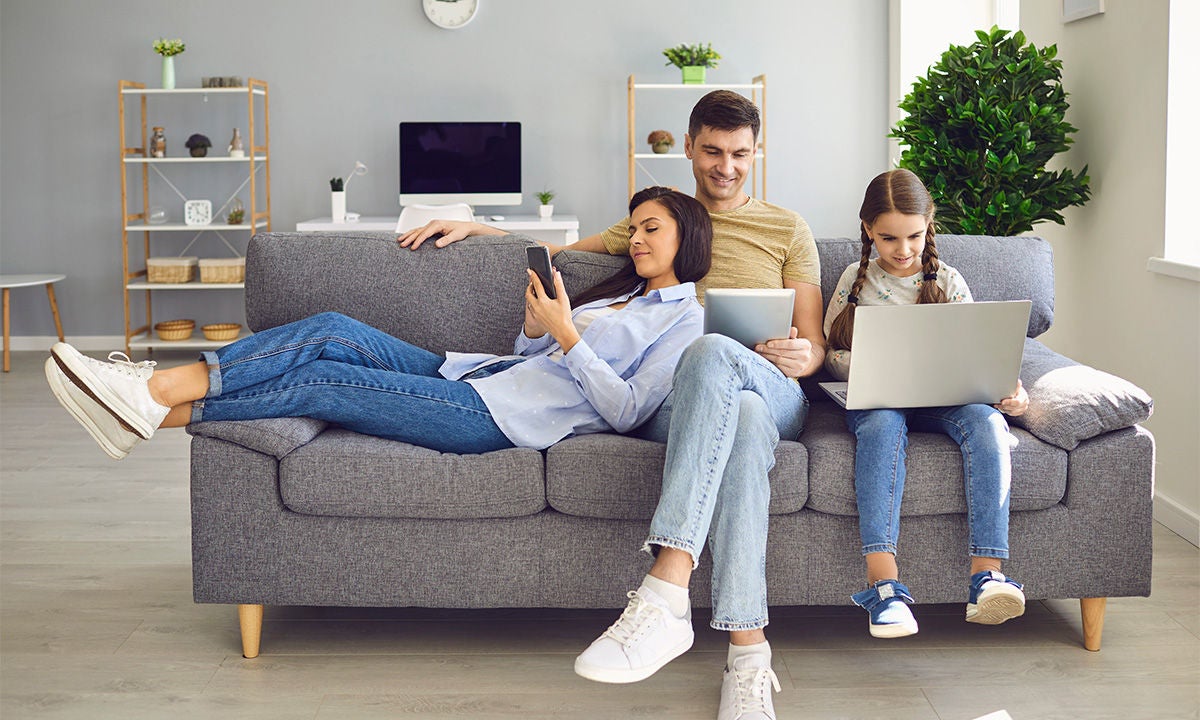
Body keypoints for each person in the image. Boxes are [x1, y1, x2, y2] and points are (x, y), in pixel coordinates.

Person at [400, 90, 825, 720]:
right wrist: (479, 230)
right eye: (712, 151)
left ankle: (667, 594)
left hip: (767, 382)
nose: (726, 167)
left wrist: (803, 357)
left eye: (740, 154)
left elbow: (812, 340)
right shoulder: (654, 223)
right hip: (680, 402)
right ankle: (748, 658)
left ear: (757, 152)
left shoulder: (787, 228)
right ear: (688, 148)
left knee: (721, 363)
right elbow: (567, 255)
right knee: (737, 417)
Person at [45, 187, 710, 461]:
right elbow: (528, 352)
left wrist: (566, 335)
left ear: (690, 236)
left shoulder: (685, 323)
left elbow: (626, 412)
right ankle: (148, 399)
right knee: (332, 328)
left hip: (493, 419)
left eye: (652, 229)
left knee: (326, 380)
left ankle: (150, 401)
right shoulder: (616, 292)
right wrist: (540, 328)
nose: (636, 240)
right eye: (636, 228)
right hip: (479, 375)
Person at [823, 168, 1029, 639]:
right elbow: (830, 353)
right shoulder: (854, 279)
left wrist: (1010, 391)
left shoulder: (950, 281)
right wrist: (866, 366)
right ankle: (884, 586)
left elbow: (981, 352)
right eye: (888, 238)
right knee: (879, 427)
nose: (902, 250)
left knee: (988, 423)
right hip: (879, 397)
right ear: (868, 231)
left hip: (945, 399)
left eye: (914, 236)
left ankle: (987, 576)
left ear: (929, 226)